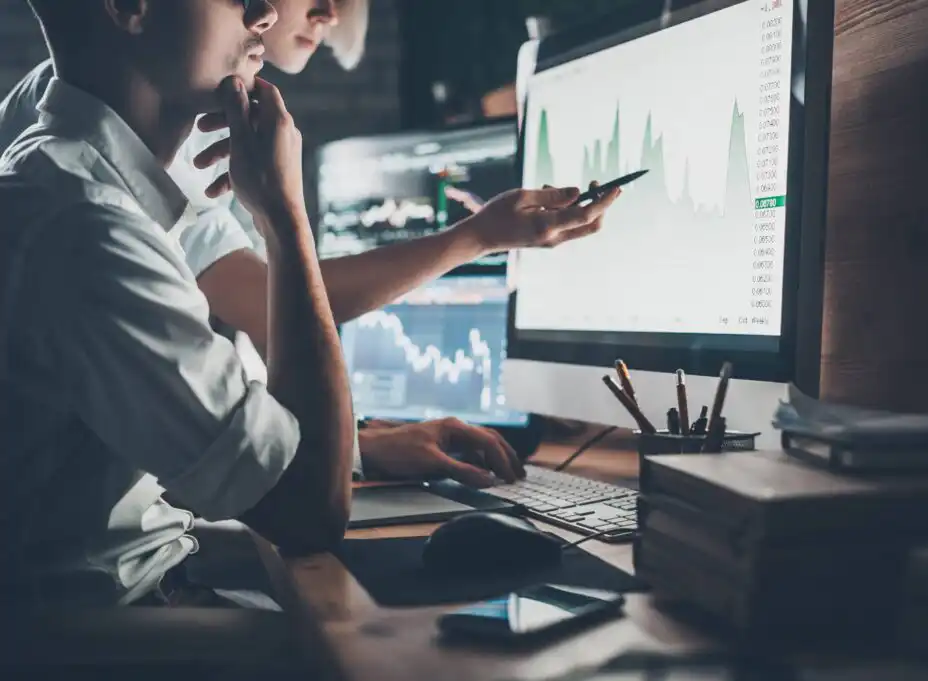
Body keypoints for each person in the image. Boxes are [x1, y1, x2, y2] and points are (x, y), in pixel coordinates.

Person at [0, 0, 618, 607]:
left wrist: (359, 447)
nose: (265, 14)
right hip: (98, 624)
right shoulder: (87, 226)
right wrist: (283, 214)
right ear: (131, 8)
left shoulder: (90, 173)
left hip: (143, 568)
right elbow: (307, 512)